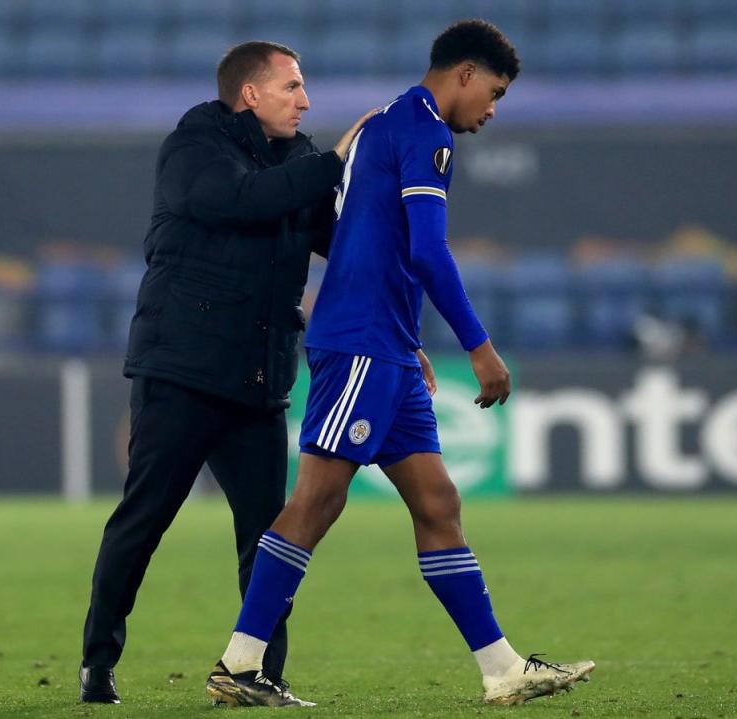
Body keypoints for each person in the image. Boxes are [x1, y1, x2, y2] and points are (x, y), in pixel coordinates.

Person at [205, 20, 594, 707]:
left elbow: (367, 239)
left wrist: (407, 335)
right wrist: (479, 344)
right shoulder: (424, 132)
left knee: (439, 502)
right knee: (316, 500)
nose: (493, 109)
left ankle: (502, 668)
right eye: (495, 92)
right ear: (466, 74)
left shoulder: (389, 124)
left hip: (385, 344)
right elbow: (427, 250)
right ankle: (239, 663)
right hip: (361, 344)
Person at [78, 41, 374, 706]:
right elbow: (236, 200)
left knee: (272, 538)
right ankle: (98, 659)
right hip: (182, 372)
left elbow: (348, 243)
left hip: (258, 384)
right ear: (251, 95)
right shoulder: (194, 146)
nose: (305, 100)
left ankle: (259, 671)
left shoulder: (300, 161)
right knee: (144, 519)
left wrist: (394, 190)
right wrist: (333, 164)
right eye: (293, 86)